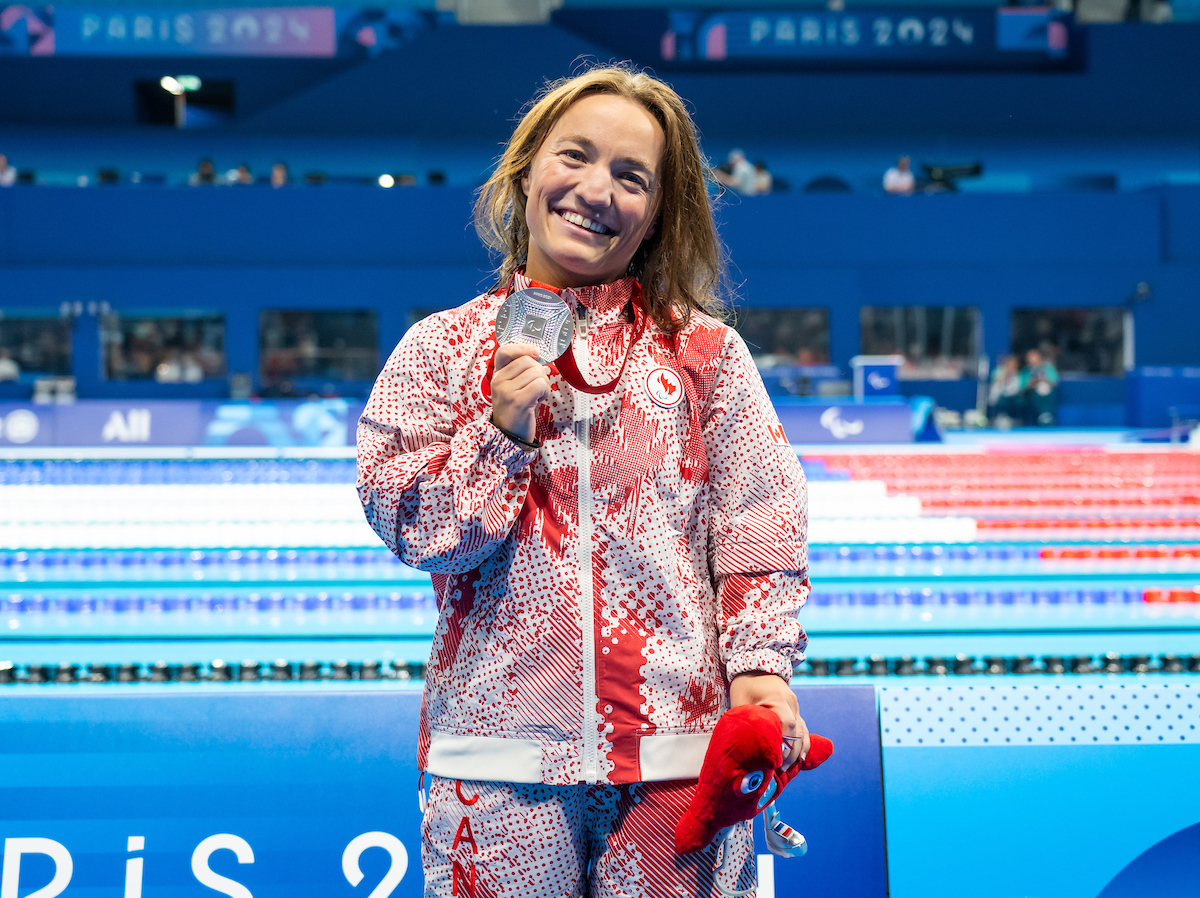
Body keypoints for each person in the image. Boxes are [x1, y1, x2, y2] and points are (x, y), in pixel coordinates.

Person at [357, 65, 811, 898]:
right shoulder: (439, 349)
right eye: (576, 157)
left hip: (677, 764)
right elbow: (410, 527)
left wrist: (762, 669)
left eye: (630, 177)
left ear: (657, 212)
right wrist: (496, 434)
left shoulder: (705, 354)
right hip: (494, 767)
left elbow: (761, 527)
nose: (595, 190)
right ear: (528, 167)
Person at [1021, 347, 1059, 425]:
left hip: (1047, 392)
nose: (1033, 359)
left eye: (1034, 357)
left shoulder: (1048, 367)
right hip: (1031, 394)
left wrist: (1044, 380)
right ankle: (1043, 415)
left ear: (1039, 357)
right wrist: (1033, 383)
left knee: (1045, 389)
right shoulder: (1025, 370)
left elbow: (1054, 382)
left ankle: (1045, 415)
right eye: (1030, 357)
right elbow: (1023, 386)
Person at [988, 354, 1024, 424]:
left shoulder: (1018, 374)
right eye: (1010, 364)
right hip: (1000, 395)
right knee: (1002, 400)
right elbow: (997, 385)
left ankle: (1015, 419)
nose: (1011, 366)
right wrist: (1006, 375)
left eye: (1013, 364)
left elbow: (1019, 388)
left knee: (1018, 401)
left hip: (1014, 396)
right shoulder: (998, 372)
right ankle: (1001, 417)